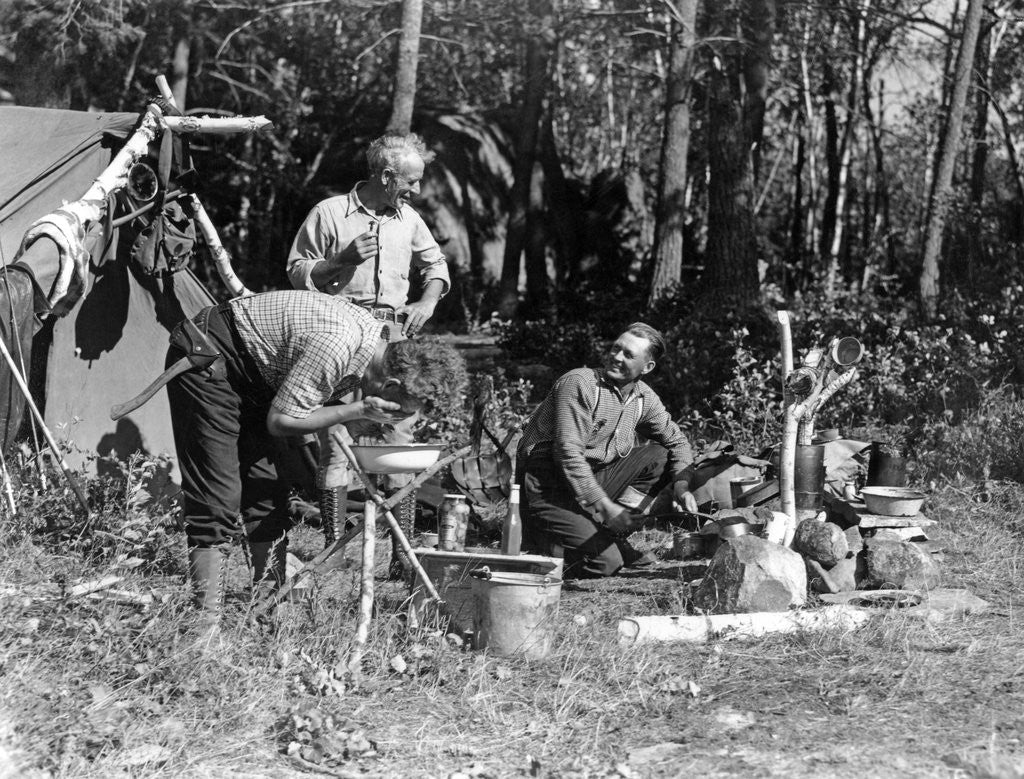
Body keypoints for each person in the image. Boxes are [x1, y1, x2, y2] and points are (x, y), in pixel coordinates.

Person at [166, 290, 467, 625]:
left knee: (268, 490)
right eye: (400, 411)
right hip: (210, 356)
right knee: (219, 492)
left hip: (256, 376)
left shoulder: (375, 345)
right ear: (391, 385)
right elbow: (281, 423)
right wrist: (356, 409)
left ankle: (266, 608)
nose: (397, 419)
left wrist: (358, 416)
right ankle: (205, 628)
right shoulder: (337, 345)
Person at [286, 133, 450, 570]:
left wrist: (427, 301)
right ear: (386, 175)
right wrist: (339, 260)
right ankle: (334, 549)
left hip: (392, 341)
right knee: (336, 439)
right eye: (411, 182)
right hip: (338, 336)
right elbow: (297, 271)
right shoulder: (329, 213)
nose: (416, 190)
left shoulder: (409, 219)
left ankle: (402, 552)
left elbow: (436, 267)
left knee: (400, 437)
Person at [516, 323, 698, 579]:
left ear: (647, 367)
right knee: (606, 564)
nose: (616, 357)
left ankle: (608, 535)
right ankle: (546, 547)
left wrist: (682, 486)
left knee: (660, 457)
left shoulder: (643, 398)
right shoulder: (580, 383)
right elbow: (567, 454)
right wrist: (606, 507)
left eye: (628, 354)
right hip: (546, 485)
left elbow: (677, 442)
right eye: (616, 348)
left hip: (590, 479)